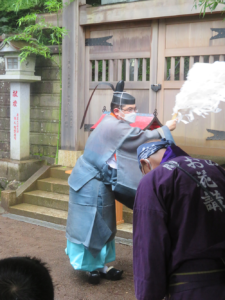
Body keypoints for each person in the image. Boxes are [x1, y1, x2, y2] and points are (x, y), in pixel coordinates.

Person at [66, 80, 177, 284]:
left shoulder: (114, 122)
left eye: (135, 109)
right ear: (117, 111)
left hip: (100, 181)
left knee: (105, 223)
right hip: (88, 182)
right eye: (130, 109)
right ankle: (90, 268)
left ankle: (102, 266)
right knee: (88, 225)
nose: (134, 112)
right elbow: (141, 136)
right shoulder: (112, 124)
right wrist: (165, 129)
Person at [133, 138, 225, 300]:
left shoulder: (154, 179)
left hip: (190, 284)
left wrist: (148, 294)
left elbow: (149, 243)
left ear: (145, 163)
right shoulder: (216, 169)